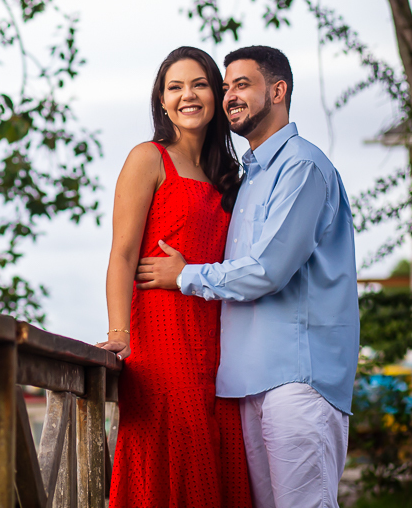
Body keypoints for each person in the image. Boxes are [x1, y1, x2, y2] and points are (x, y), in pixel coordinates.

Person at [137, 45, 359, 508]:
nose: (230, 95)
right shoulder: (250, 177)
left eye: (243, 84)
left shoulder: (301, 166)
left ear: (277, 91)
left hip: (298, 379)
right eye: (226, 87)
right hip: (247, 383)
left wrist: (184, 276)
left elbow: (268, 271)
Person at [98, 46, 251, 508]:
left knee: (216, 458)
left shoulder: (229, 175)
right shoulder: (147, 159)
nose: (188, 95)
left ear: (217, 95)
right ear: (161, 101)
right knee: (171, 459)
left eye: (199, 84)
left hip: (219, 342)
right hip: (162, 341)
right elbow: (122, 255)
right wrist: (119, 333)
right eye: (175, 87)